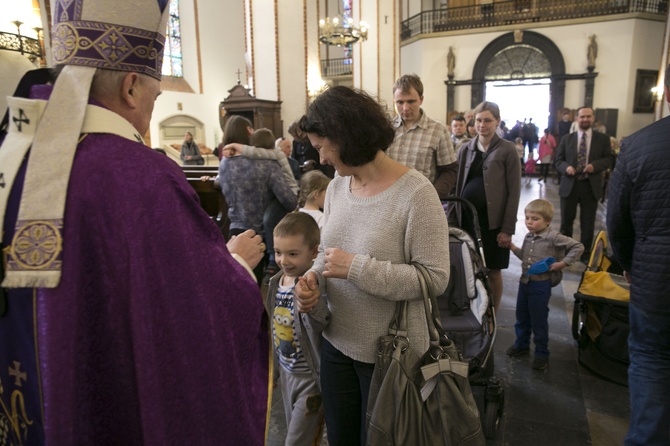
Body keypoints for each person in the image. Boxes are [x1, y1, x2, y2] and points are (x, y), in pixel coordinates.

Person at [0, 1, 270, 444]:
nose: (149, 111)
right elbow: (192, 314)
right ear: (130, 87)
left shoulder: (15, 153)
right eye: (154, 96)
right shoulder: (136, 176)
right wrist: (237, 267)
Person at [295, 86, 450, 445]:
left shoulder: (416, 192)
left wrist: (357, 269)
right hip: (337, 341)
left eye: (322, 147)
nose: (320, 159)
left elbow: (435, 277)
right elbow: (328, 252)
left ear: (345, 136)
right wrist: (313, 277)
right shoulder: (337, 186)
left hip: (390, 353)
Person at [607, 63, 670, 446]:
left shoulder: (640, 144)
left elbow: (618, 222)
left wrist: (631, 264)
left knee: (651, 360)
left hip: (656, 280)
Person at [267, 212, 329, 446]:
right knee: (294, 429)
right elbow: (273, 328)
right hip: (286, 372)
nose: (284, 261)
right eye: (278, 252)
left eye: (293, 254)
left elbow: (323, 322)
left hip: (310, 378)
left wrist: (310, 304)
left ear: (313, 253)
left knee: (297, 440)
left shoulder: (311, 285)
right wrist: (273, 371)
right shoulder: (276, 282)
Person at [453, 101, 521, 312]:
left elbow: (514, 191)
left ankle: (494, 312)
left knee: (493, 270)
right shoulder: (466, 148)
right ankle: (473, 310)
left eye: (488, 121)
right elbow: (458, 183)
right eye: (478, 120)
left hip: (494, 223)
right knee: (470, 268)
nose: (482, 125)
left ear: (497, 121)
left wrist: (507, 229)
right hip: (469, 219)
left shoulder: (507, 150)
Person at [506, 199, 584, 370]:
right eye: (527, 218)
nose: (529, 222)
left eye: (535, 219)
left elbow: (578, 247)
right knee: (522, 317)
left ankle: (542, 354)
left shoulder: (553, 237)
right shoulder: (528, 236)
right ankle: (521, 345)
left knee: (539, 320)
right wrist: (512, 247)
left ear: (547, 221)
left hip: (540, 286)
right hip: (525, 283)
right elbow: (525, 257)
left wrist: (563, 263)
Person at [219, 125, 298, 284]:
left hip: (233, 231)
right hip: (257, 237)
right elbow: (290, 201)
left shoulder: (225, 163)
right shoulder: (268, 165)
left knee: (234, 285)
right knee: (252, 290)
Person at [553, 106, 612, 262]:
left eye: (588, 116)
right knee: (566, 222)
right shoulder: (567, 139)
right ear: (577, 118)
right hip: (570, 185)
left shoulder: (602, 139)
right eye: (582, 116)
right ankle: (566, 252)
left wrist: (595, 166)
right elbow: (558, 161)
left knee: (588, 223)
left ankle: (585, 255)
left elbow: (609, 159)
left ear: (593, 118)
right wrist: (566, 167)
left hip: (589, 186)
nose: (585, 119)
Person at [387, 74, 458, 198]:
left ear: (421, 99)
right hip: (390, 198)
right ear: (394, 101)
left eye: (411, 101)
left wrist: (433, 196)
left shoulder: (438, 130)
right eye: (400, 102)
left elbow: (450, 171)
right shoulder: (387, 129)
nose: (405, 108)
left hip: (422, 200)